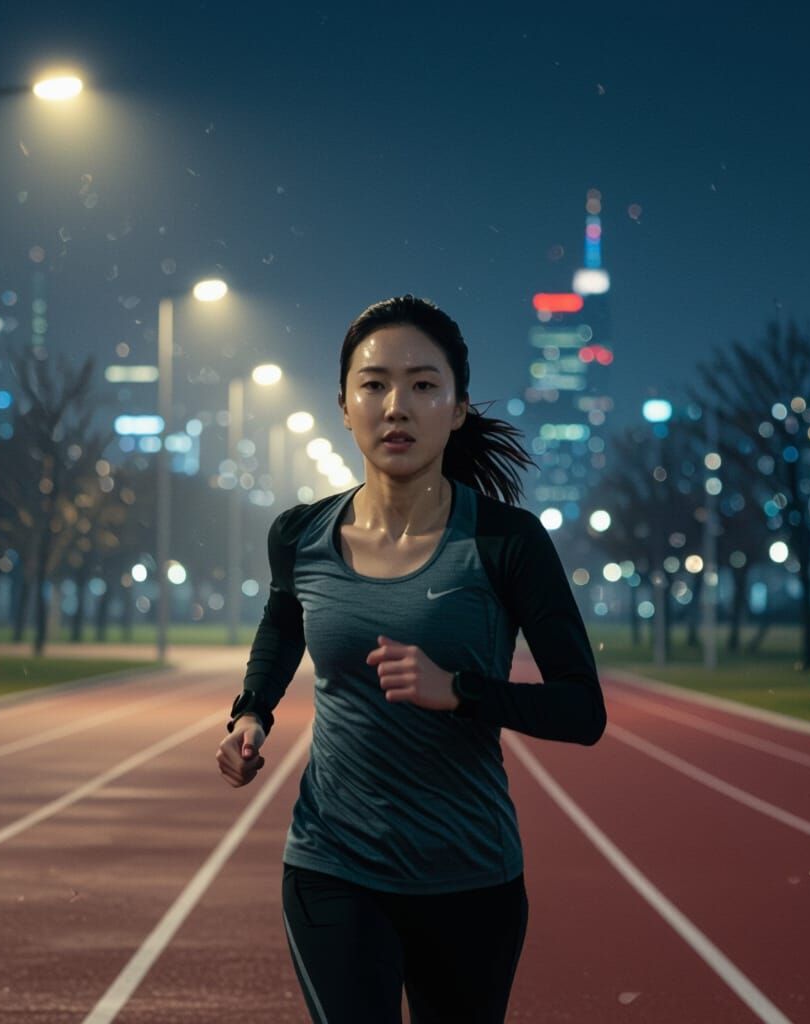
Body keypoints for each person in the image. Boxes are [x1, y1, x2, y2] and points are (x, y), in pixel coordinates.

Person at [216, 294, 606, 1023]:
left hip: (470, 879)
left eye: (424, 385)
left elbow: (584, 711)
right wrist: (252, 712)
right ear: (343, 404)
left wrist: (459, 691)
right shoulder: (300, 535)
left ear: (457, 408)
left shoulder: (506, 542)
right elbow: (283, 623)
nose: (397, 405)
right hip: (332, 867)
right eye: (374, 384)